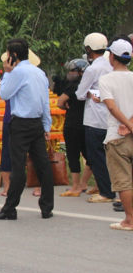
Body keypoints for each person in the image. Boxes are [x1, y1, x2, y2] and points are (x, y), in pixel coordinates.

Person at [0, 38, 53, 220]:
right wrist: (46, 124)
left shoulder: (17, 73)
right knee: (43, 166)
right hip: (37, 123)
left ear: (13, 56)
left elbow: (4, 94)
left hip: (21, 124)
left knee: (18, 167)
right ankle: (47, 207)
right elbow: (44, 101)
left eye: (7, 54)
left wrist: (7, 73)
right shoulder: (39, 73)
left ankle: (10, 208)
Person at [76, 32, 115, 204]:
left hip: (94, 119)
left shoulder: (92, 69)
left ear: (89, 49)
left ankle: (105, 191)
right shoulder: (111, 66)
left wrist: (90, 93)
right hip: (111, 117)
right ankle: (111, 187)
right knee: (109, 157)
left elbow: (79, 94)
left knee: (96, 156)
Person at [98, 39, 133, 231]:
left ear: (112, 57)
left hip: (116, 135)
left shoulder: (106, 79)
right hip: (130, 132)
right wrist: (131, 124)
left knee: (123, 180)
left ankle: (129, 220)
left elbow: (111, 106)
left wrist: (126, 125)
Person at [57, 58, 93, 197]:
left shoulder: (73, 86)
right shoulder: (90, 85)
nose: (70, 73)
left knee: (73, 154)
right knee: (90, 155)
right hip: (87, 123)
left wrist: (66, 105)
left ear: (80, 72)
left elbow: (60, 102)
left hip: (72, 124)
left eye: (73, 70)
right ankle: (84, 183)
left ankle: (76, 186)